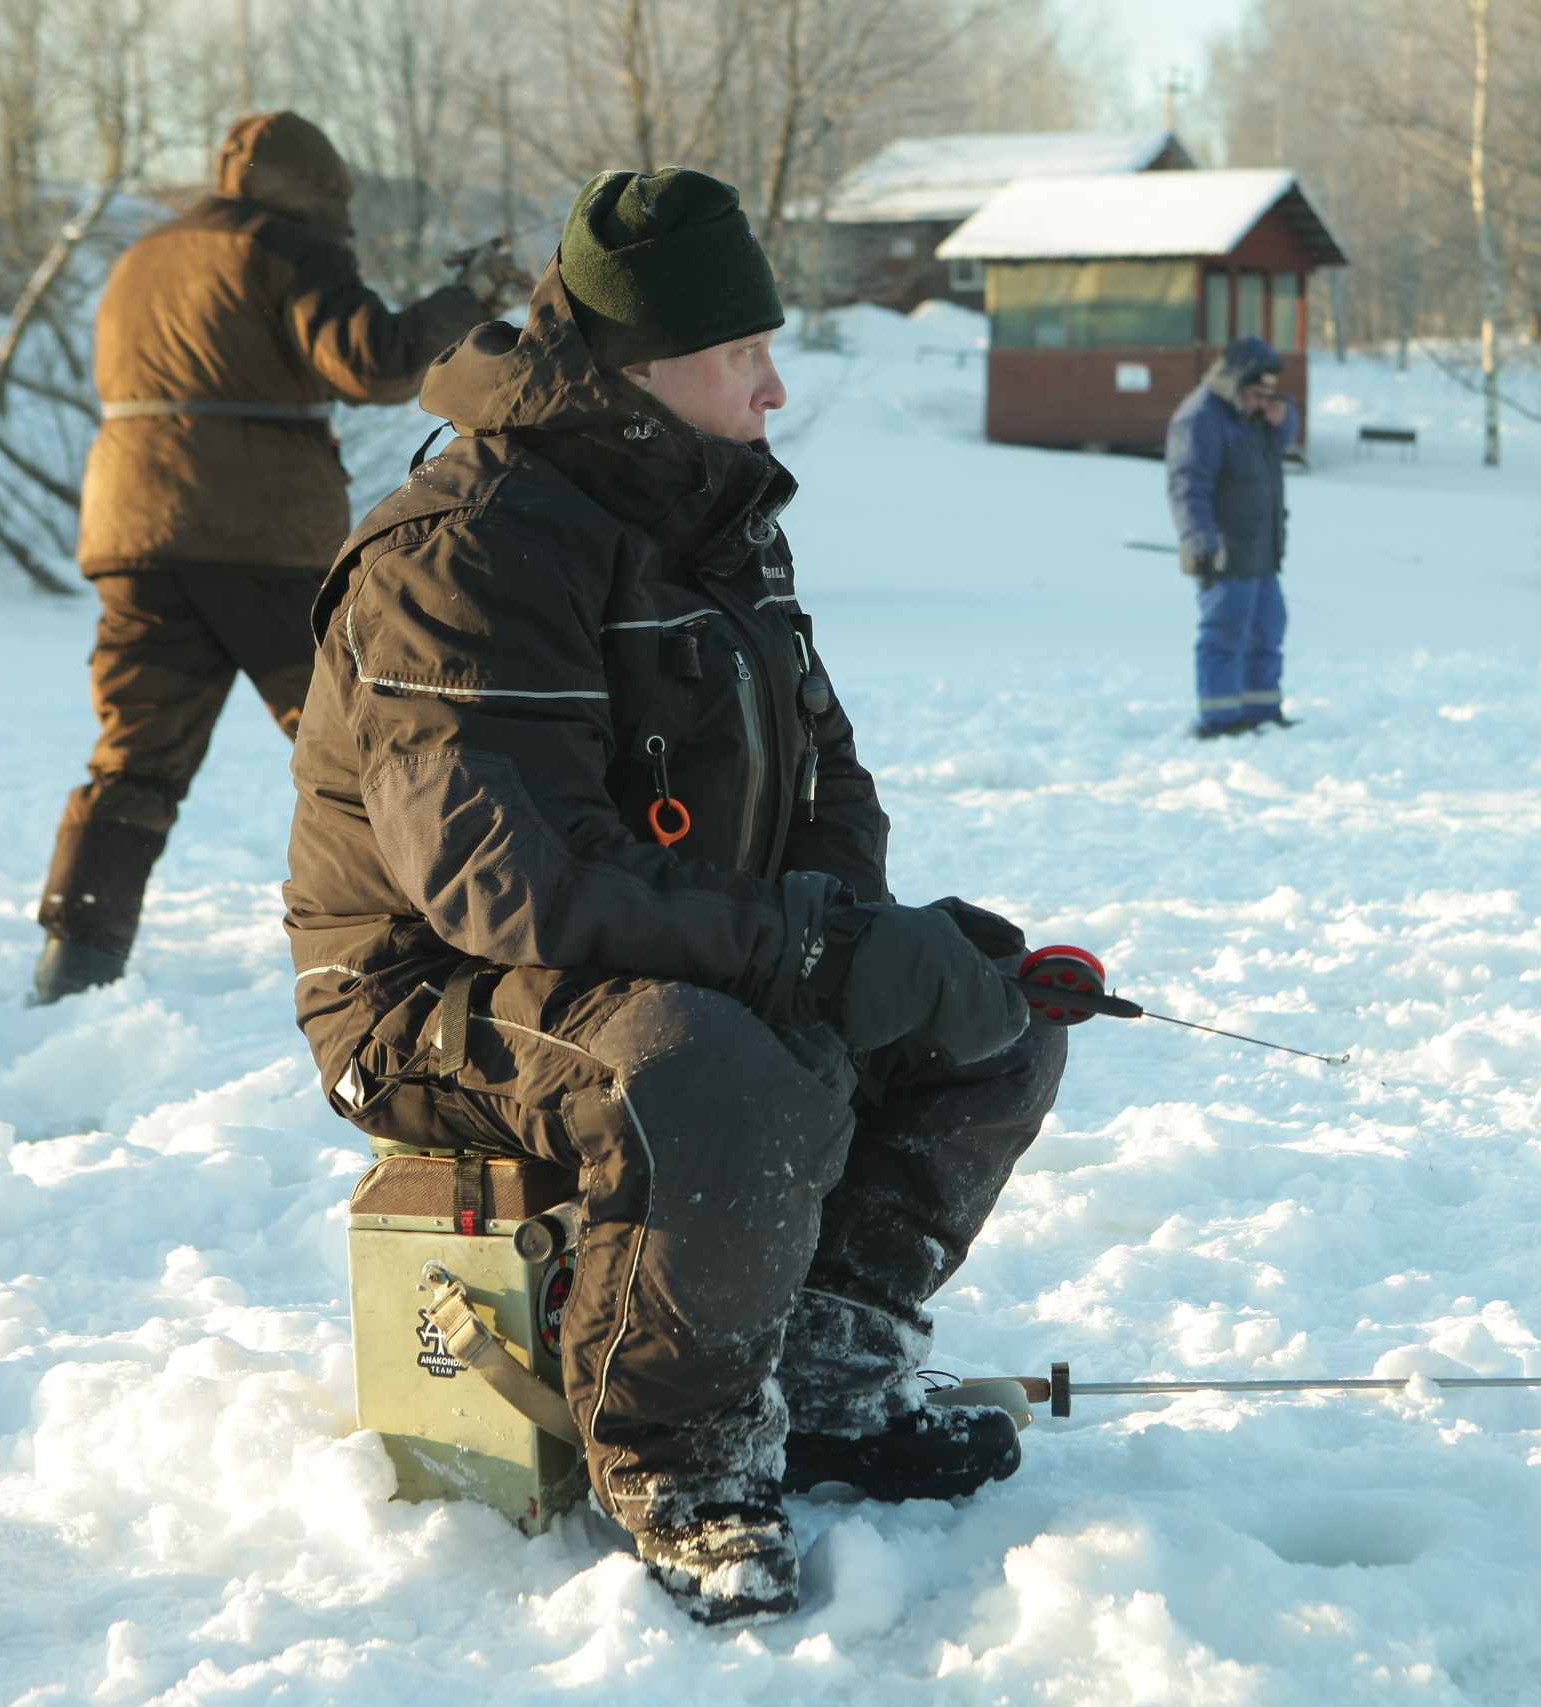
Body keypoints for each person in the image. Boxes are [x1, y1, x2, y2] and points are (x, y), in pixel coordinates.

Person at [282, 167, 1067, 1625]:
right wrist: (809, 954)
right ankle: (685, 1459)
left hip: (649, 946)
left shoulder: (721, 519)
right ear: (640, 371)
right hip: (425, 995)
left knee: (992, 1008)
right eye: (742, 355)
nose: (773, 390)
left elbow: (833, 781)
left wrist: (851, 949)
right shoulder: (467, 548)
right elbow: (514, 879)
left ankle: (825, 1368)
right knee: (709, 1074)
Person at [30, 110, 530, 1003]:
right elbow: (370, 363)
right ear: (321, 190)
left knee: (136, 754)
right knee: (371, 741)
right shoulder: (290, 248)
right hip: (258, 535)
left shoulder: (144, 255)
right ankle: (437, 936)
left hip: (134, 533)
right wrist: (467, 300)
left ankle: (74, 959)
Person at [1165, 335, 1299, 738]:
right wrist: (1199, 544)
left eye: (1270, 396)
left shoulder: (1250, 417)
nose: (1264, 403)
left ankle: (1261, 711)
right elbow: (1188, 487)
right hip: (1224, 553)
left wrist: (1284, 418)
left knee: (1268, 630)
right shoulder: (1201, 418)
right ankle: (1220, 719)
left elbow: (1280, 443)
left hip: (1260, 551)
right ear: (1237, 383)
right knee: (1224, 635)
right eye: (1259, 394)